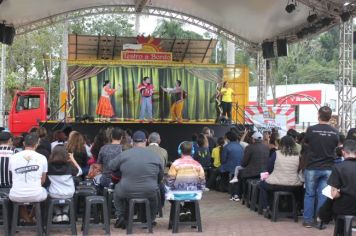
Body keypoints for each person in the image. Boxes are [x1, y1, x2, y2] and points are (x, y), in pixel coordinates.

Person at [109, 130, 163, 229]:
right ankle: (150, 220)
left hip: (126, 190)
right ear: (146, 141)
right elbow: (160, 177)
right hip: (149, 191)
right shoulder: (155, 156)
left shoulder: (124, 154)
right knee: (155, 196)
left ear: (132, 142)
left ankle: (120, 216)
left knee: (116, 192)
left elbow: (111, 166)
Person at [303, 106, 339, 228]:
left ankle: (307, 221)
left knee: (309, 194)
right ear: (330, 117)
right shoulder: (335, 132)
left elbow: (306, 143)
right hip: (328, 168)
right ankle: (320, 221)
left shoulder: (311, 130)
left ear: (318, 115)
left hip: (312, 166)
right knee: (323, 195)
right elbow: (335, 146)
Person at [318, 139, 356, 235]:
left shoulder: (338, 167)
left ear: (343, 152)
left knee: (331, 200)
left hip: (344, 207)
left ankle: (339, 231)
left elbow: (334, 194)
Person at [9, 133, 48, 223]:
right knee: (44, 193)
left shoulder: (13, 157)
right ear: (37, 144)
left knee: (19, 198)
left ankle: (28, 219)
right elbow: (43, 180)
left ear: (23, 143)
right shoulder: (42, 158)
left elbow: (12, 176)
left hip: (16, 194)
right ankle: (41, 224)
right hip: (36, 194)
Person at [259, 136, 303, 212]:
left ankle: (266, 207)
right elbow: (299, 170)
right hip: (294, 185)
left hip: (275, 185)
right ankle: (296, 208)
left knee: (262, 184)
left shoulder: (276, 154)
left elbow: (269, 168)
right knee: (300, 191)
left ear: (281, 144)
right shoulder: (298, 156)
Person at [166, 141, 205, 221]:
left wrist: (170, 187)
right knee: (190, 194)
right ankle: (190, 214)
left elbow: (170, 180)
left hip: (178, 194)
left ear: (179, 151)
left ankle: (181, 209)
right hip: (195, 194)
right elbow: (202, 180)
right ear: (193, 151)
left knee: (166, 191)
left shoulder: (175, 164)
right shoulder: (197, 164)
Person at [47, 145, 82, 223]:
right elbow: (80, 172)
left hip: (54, 194)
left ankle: (58, 214)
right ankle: (65, 214)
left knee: (48, 195)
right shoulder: (69, 165)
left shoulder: (48, 165)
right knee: (67, 198)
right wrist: (73, 159)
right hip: (69, 193)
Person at [220, 131, 244, 201]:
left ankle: (226, 189)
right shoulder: (240, 146)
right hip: (240, 167)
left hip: (231, 168)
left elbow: (223, 160)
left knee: (221, 169)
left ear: (227, 139)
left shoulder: (226, 147)